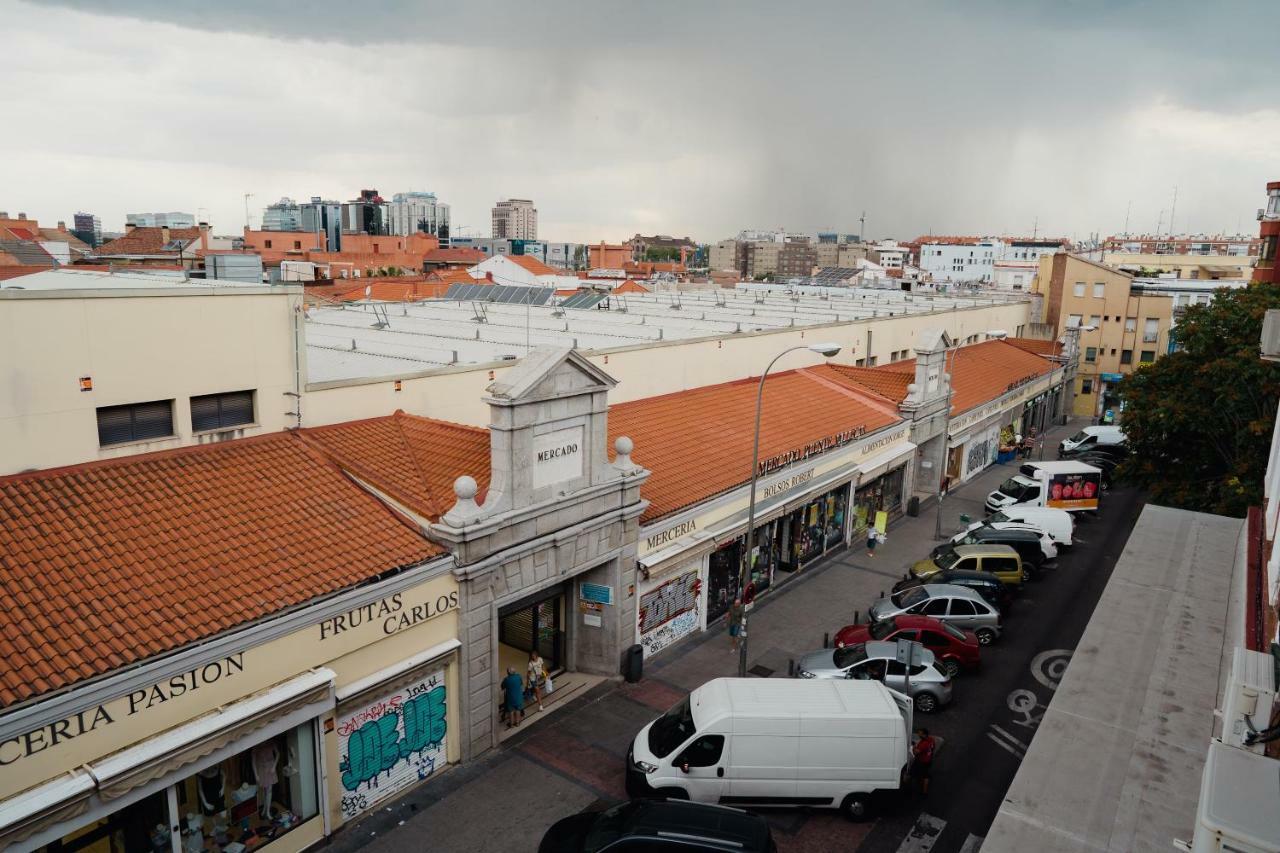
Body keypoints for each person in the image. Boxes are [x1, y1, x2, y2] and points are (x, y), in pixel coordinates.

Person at [912, 727, 937, 795]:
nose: (918, 735)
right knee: (926, 775)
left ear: (924, 735)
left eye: (920, 734)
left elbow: (916, 752)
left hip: (921, 761)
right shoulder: (931, 740)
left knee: (921, 775)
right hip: (929, 760)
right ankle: (924, 790)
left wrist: (914, 747)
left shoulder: (924, 744)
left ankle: (924, 792)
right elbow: (933, 748)